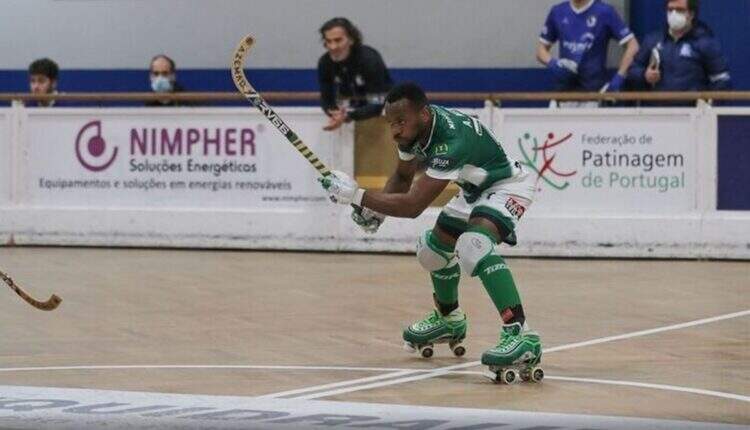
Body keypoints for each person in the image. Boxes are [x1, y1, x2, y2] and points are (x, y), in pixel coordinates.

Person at [318, 83, 543, 384]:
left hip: (506, 186)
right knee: (432, 251)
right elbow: (401, 178)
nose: (395, 131)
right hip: (475, 190)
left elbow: (413, 205)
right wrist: (375, 211)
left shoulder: (450, 141)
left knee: (473, 246)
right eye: (391, 123)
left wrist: (356, 195)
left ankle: (521, 335)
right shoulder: (413, 133)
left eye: (401, 122)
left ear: (423, 115)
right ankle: (449, 320)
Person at [627, 0, 731, 103]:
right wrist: (644, 75)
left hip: (692, 114)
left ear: (691, 14)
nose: (674, 14)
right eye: (670, 9)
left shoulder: (705, 42)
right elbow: (632, 70)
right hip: (657, 112)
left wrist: (708, 107)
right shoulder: (653, 40)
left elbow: (721, 80)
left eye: (680, 10)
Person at [536, 0, 639, 102]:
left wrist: (618, 77)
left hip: (594, 94)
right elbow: (541, 50)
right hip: (563, 93)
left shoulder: (605, 11)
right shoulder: (557, 11)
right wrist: (554, 64)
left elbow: (633, 45)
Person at [317, 17, 393, 131]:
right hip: (349, 115)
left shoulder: (369, 60)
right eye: (328, 41)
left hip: (385, 116)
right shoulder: (325, 62)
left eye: (338, 40)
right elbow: (326, 97)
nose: (333, 47)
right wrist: (334, 113)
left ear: (351, 39)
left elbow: (378, 102)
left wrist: (348, 116)